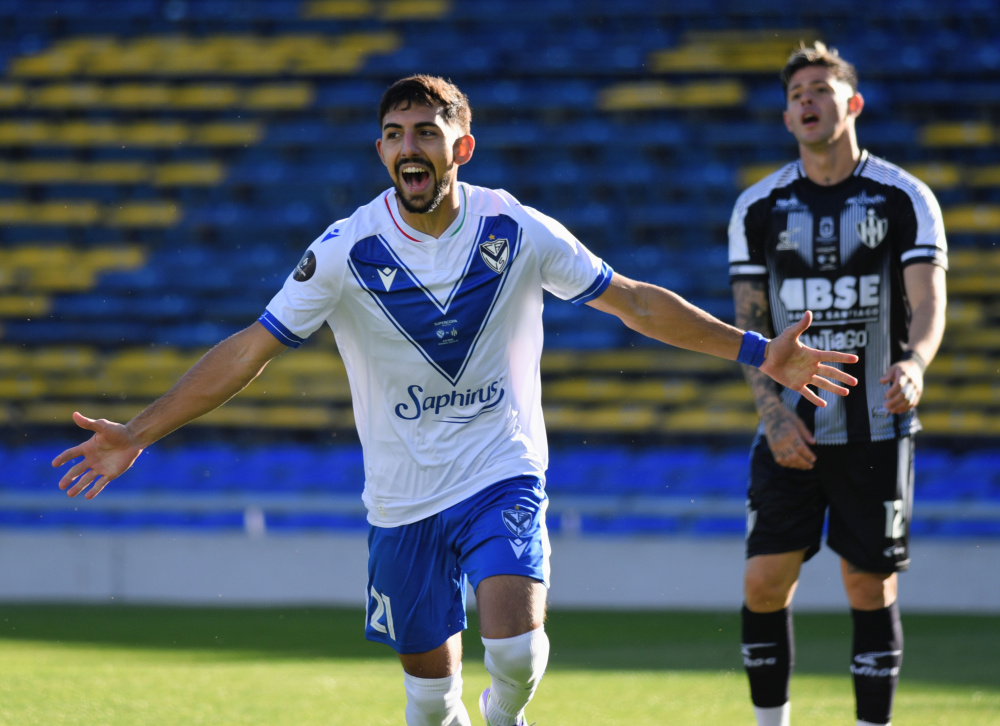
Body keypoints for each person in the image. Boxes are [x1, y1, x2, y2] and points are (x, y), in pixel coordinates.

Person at [54, 74, 859, 726]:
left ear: (459, 148)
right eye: (397, 135)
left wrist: (758, 350)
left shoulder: (515, 228)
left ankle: (505, 716)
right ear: (381, 152)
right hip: (401, 501)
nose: (411, 147)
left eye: (427, 133)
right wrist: (142, 431)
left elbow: (634, 301)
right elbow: (250, 348)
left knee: (515, 649)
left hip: (500, 471)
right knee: (429, 702)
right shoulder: (344, 249)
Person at [728, 43, 948, 726]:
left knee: (867, 583)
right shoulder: (758, 207)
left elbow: (930, 299)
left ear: (851, 104)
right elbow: (750, 326)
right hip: (792, 425)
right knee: (764, 582)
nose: (807, 101)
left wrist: (913, 363)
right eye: (796, 94)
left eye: (821, 89)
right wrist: (772, 413)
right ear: (787, 115)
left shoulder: (904, 197)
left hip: (876, 427)